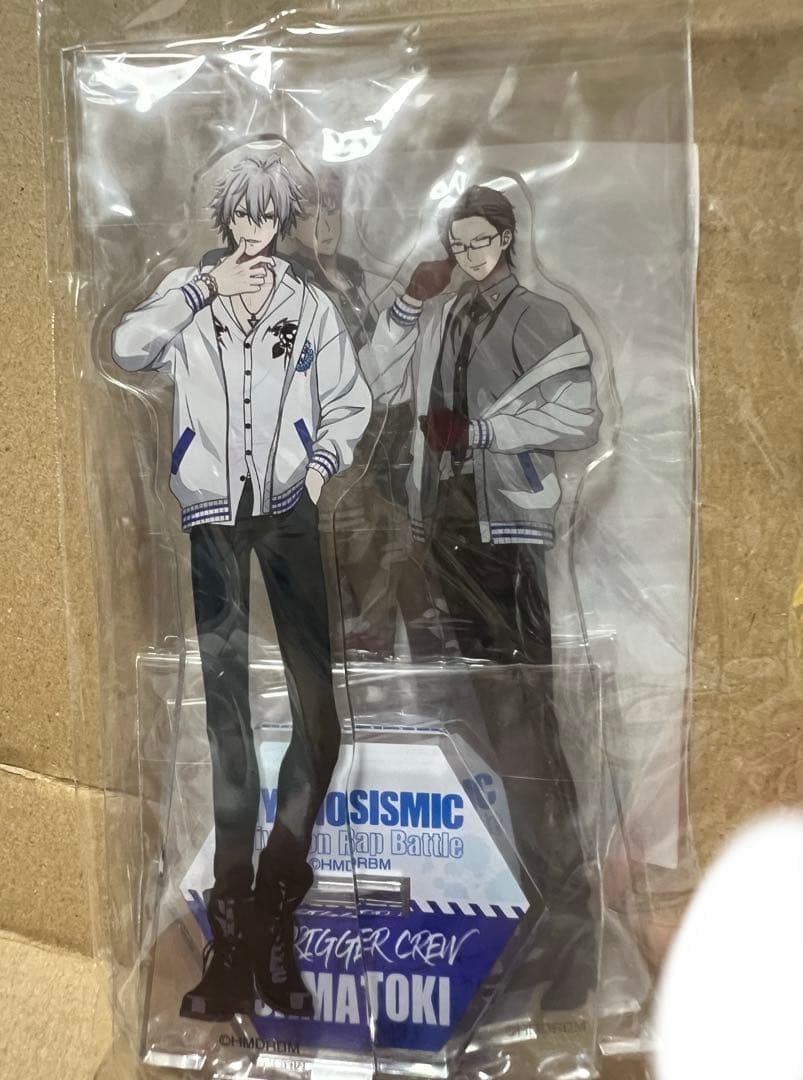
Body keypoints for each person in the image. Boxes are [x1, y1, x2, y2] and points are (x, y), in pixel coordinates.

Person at [112, 156, 371, 1022]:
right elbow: (126, 348)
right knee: (228, 724)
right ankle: (233, 940)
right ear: (225, 217)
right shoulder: (190, 292)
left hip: (291, 515)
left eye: (269, 216)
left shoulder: (308, 303)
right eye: (243, 215)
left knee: (318, 719)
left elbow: (350, 400)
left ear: (283, 219)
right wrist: (200, 291)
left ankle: (269, 912)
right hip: (213, 521)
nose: (256, 229)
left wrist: (318, 471)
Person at [371, 184, 602, 1008]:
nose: (468, 255)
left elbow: (580, 415)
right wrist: (407, 302)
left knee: (525, 722)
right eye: (457, 243)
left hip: (505, 537)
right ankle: (505, 907)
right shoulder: (440, 317)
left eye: (480, 241)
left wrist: (483, 432)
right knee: (462, 727)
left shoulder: (539, 315)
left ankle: (564, 923)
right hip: (438, 534)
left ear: (505, 237)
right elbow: (371, 381)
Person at [284, 167, 438, 660]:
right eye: (308, 212)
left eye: (331, 207)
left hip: (383, 452)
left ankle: (411, 668)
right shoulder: (286, 288)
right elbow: (348, 377)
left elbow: (381, 377)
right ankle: (359, 672)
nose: (324, 223)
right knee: (353, 583)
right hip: (333, 460)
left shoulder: (353, 279)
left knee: (400, 569)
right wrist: (409, 304)